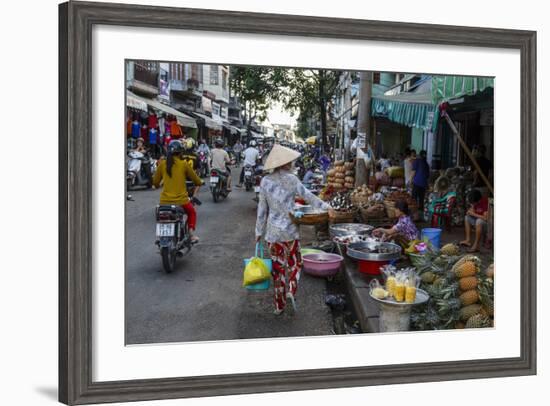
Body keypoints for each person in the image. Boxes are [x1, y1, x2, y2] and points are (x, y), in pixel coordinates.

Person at [255, 144, 331, 315]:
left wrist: (258, 232)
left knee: (278, 270)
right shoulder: (292, 179)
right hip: (290, 232)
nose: (292, 164)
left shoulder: (265, 181)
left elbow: (262, 210)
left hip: (273, 234)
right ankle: (291, 288)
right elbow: (308, 196)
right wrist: (326, 206)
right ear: (285, 163)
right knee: (295, 263)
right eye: (290, 161)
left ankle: (279, 305)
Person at [153, 140, 204, 243]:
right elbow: (196, 180)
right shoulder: (183, 164)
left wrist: (158, 184)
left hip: (164, 202)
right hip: (182, 201)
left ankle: (161, 238)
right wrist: (199, 182)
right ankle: (190, 234)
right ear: (181, 152)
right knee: (192, 212)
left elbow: (155, 182)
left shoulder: (163, 164)